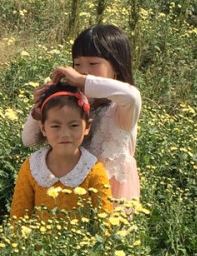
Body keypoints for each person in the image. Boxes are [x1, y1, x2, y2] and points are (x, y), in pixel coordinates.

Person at [22, 24, 141, 202]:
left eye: (93, 64)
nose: (83, 71)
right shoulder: (77, 104)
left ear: (116, 66)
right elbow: (29, 141)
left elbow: (131, 95)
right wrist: (38, 112)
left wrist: (82, 81)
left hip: (113, 193)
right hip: (76, 191)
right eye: (77, 64)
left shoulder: (121, 109)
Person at [10, 83, 112, 221]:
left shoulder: (92, 170)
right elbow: (18, 217)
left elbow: (105, 222)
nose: (65, 134)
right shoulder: (32, 167)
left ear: (87, 127)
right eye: (55, 126)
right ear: (43, 128)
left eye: (74, 125)